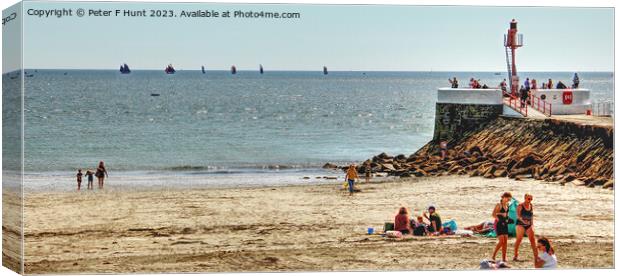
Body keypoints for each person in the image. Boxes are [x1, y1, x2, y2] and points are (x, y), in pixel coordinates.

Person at [514, 194, 536, 262]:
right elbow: (518, 216)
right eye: (529, 199)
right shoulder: (520, 206)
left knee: (532, 240)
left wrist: (532, 224)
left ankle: (536, 256)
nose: (530, 200)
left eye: (531, 199)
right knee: (519, 240)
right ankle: (515, 255)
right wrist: (524, 221)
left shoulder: (531, 205)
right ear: (525, 198)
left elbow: (532, 216)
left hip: (529, 225)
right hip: (520, 224)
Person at [492, 192, 512, 262]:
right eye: (507, 199)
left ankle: (504, 257)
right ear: (503, 197)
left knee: (506, 241)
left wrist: (507, 218)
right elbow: (493, 214)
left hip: (505, 224)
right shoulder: (499, 205)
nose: (508, 200)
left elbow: (506, 215)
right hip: (498, 224)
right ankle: (494, 255)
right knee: (501, 241)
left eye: (509, 199)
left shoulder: (507, 205)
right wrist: (500, 215)